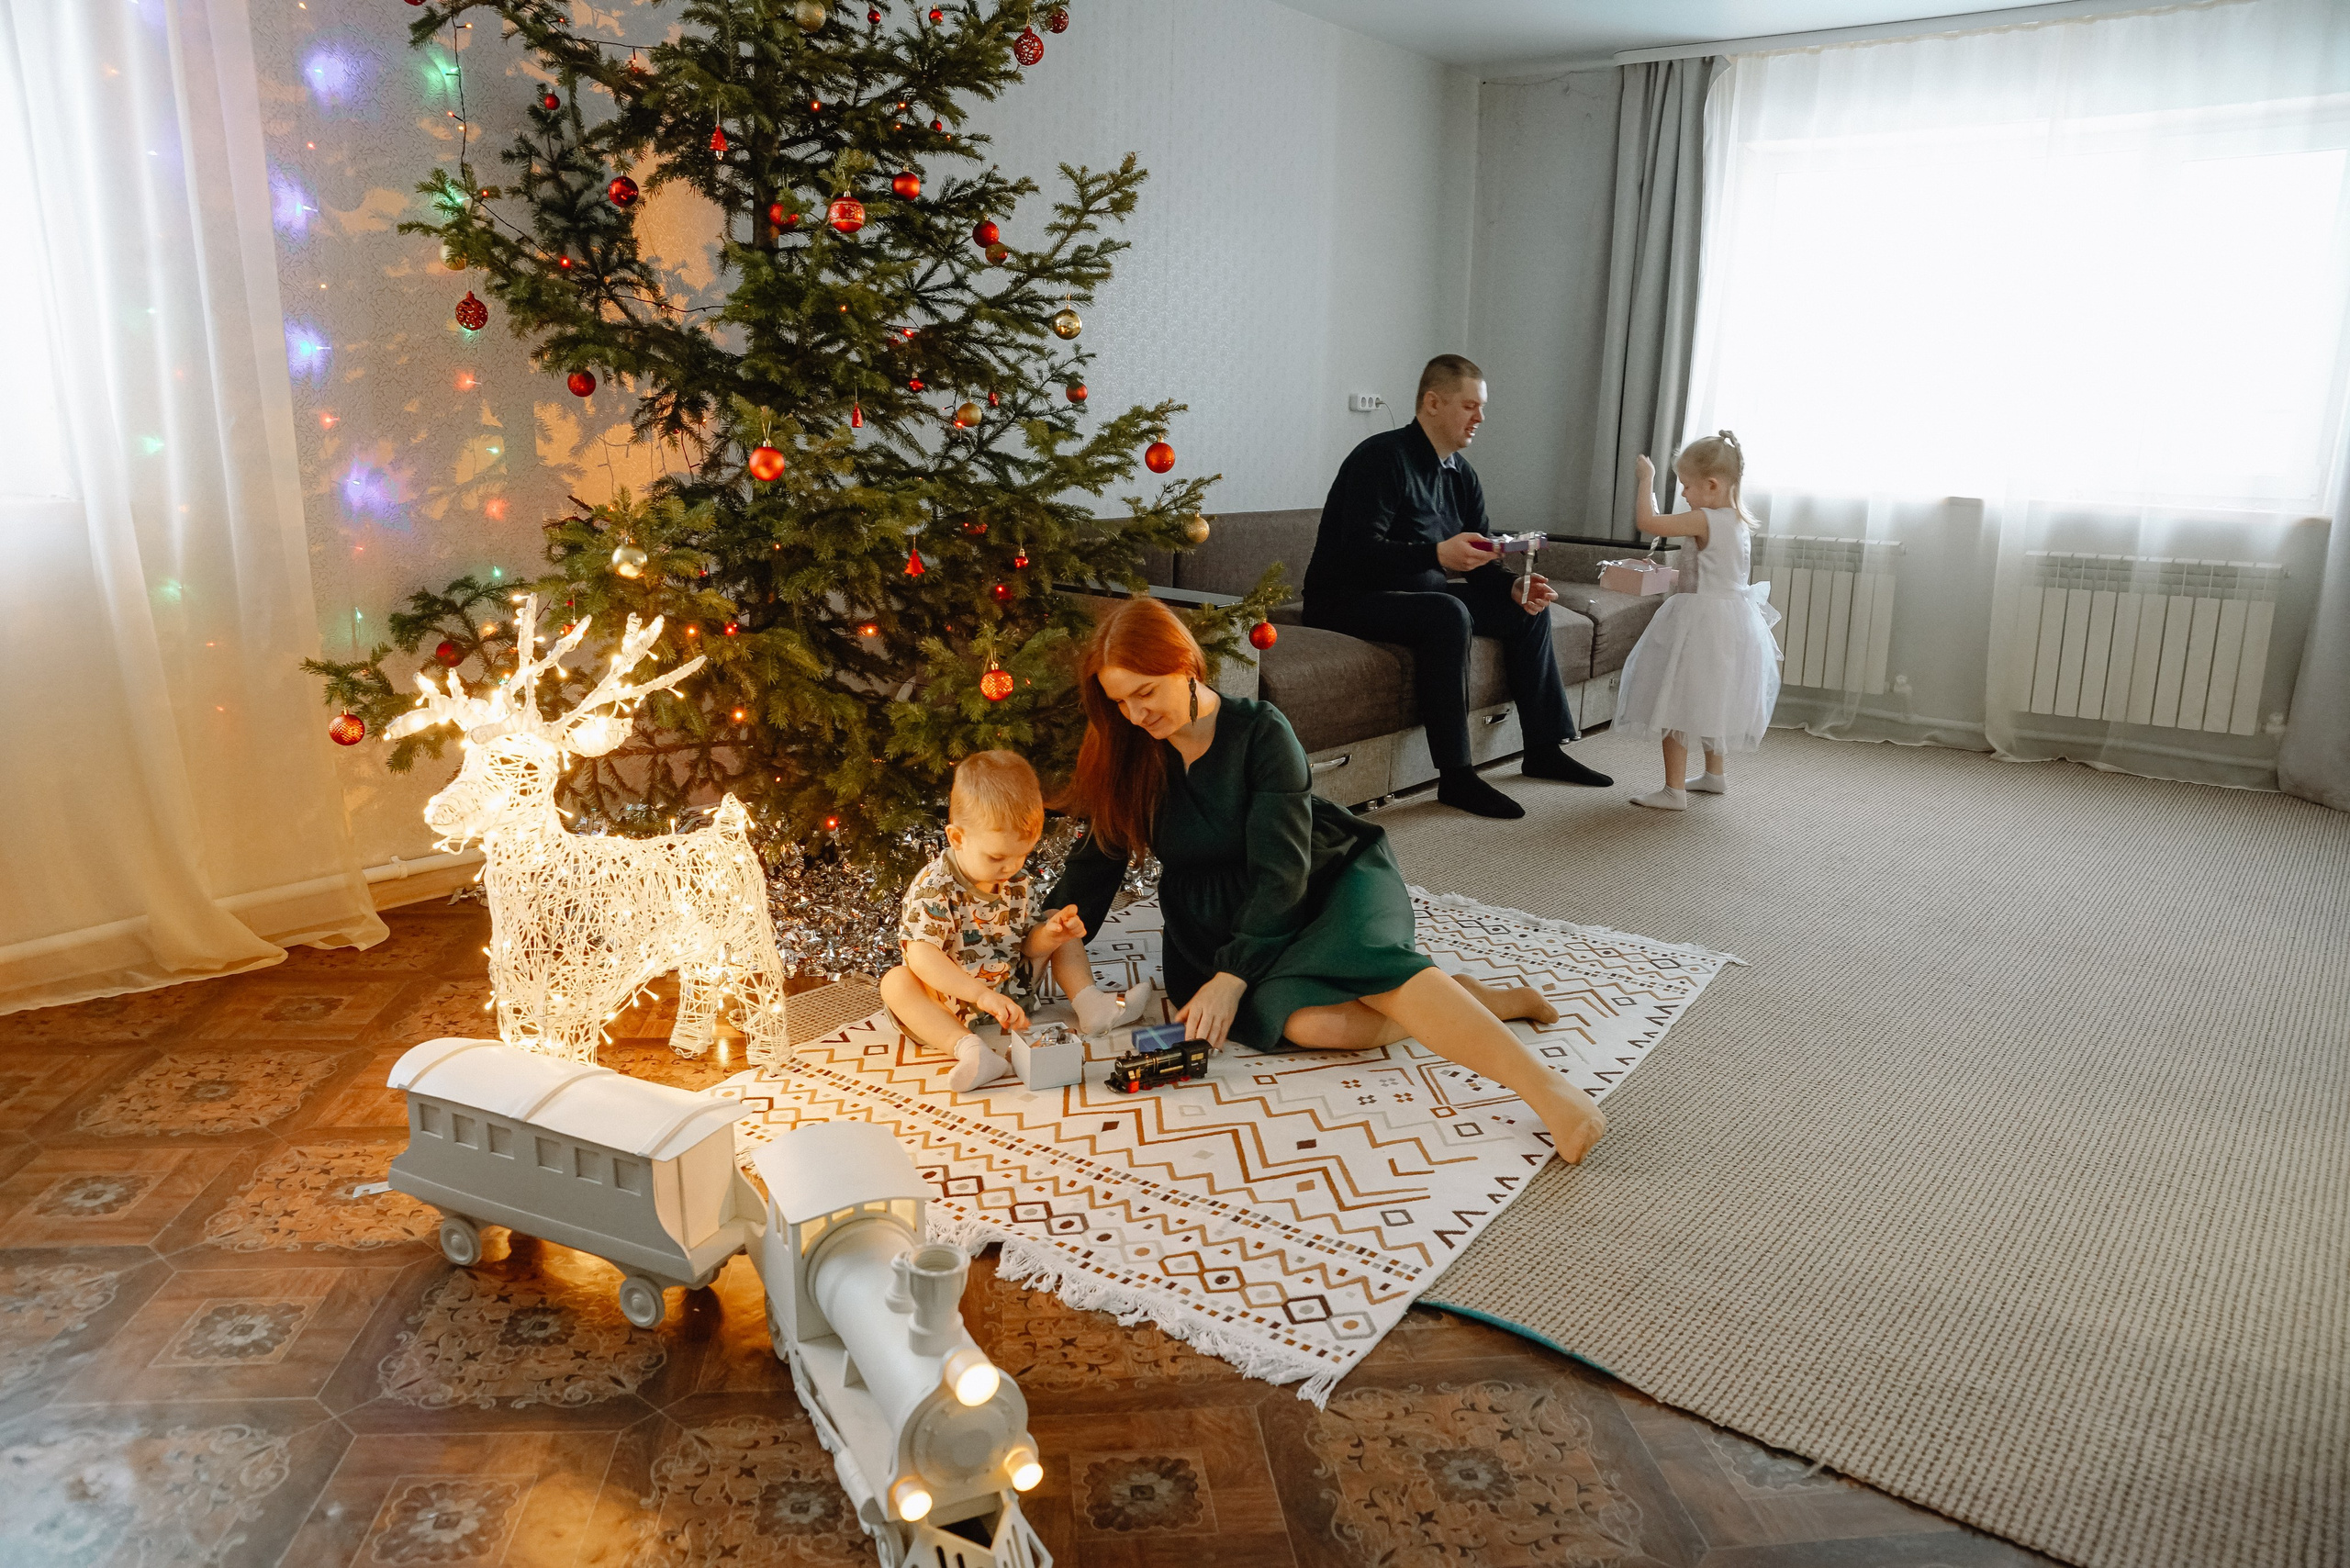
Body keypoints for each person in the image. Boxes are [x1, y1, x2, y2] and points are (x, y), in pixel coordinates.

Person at [1040, 597, 1608, 1164]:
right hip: (1212, 922)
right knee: (1315, 1026)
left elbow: (1281, 872)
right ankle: (1461, 998)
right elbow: (1095, 863)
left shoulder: (1262, 733)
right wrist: (1046, 929)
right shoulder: (1125, 747)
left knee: (1371, 970)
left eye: (1146, 693)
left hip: (1317, 882)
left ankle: (1550, 1092)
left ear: (1185, 665)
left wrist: (1234, 975)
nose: (1136, 715)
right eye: (1120, 701)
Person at [1303, 353, 1612, 819]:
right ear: (1432, 402)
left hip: (1417, 595)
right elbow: (1356, 555)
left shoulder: (1461, 474)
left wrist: (1511, 587)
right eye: (1470, 406)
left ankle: (1544, 748)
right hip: (1345, 598)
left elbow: (1481, 560)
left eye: (1481, 407)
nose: (1480, 418)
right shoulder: (1382, 459)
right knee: (1448, 613)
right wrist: (1435, 554)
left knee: (1526, 609)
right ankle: (1457, 777)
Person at [880, 751, 1145, 1092]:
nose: (1010, 867)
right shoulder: (934, 887)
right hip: (947, 1002)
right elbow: (923, 957)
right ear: (957, 838)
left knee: (1056, 919)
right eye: (997, 856)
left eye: (1022, 853)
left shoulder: (1016, 881)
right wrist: (979, 994)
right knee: (896, 982)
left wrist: (1050, 936)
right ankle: (969, 1049)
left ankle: (1091, 1006)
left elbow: (1027, 942)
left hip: (1010, 992)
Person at [1615, 431, 1784, 811]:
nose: (1686, 495)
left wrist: (1646, 479)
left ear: (1712, 485)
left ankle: (1673, 790)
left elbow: (1648, 521)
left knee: (1676, 697)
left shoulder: (1704, 519)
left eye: (1688, 486)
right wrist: (1673, 576)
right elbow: (1714, 573)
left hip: (1699, 621)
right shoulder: (1737, 522)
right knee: (1712, 697)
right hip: (1731, 622)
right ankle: (1714, 775)